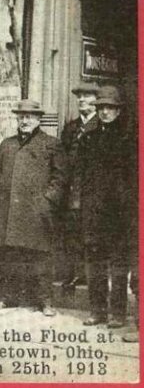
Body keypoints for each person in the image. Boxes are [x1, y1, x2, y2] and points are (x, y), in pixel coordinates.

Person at [0, 100, 67, 317]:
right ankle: (6, 297)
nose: (25, 121)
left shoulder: (51, 143)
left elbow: (60, 178)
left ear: (38, 119)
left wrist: (47, 201)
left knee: (39, 256)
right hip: (8, 210)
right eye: (21, 117)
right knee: (9, 255)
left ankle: (45, 301)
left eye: (30, 117)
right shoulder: (8, 144)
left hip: (36, 210)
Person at [78, 85, 136, 328]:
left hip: (119, 212)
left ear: (118, 110)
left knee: (119, 264)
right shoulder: (90, 136)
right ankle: (97, 311)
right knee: (95, 263)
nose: (105, 112)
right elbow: (82, 173)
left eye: (110, 108)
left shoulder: (129, 138)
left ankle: (118, 314)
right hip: (94, 210)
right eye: (101, 108)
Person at [59, 82, 99, 289]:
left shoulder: (102, 125)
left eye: (87, 95)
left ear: (97, 100)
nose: (81, 99)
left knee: (91, 233)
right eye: (79, 96)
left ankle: (91, 275)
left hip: (92, 189)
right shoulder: (71, 127)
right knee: (72, 233)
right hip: (70, 190)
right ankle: (74, 274)